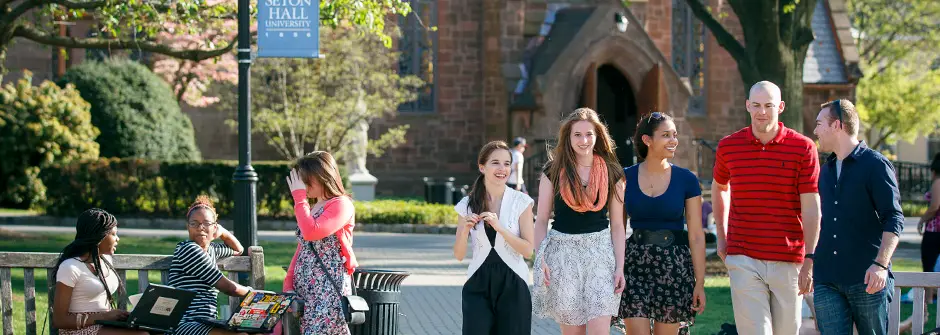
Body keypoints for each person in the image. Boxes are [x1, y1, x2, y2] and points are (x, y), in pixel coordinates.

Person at [712, 81, 821, 335]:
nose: (762, 112)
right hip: (743, 255)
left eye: (769, 105)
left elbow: (811, 204)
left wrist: (810, 258)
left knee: (786, 331)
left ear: (780, 107)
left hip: (789, 257)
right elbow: (720, 187)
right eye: (757, 105)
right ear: (747, 106)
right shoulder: (729, 146)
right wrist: (722, 236)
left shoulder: (803, 148)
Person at [811, 99, 903, 334]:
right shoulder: (825, 171)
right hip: (827, 279)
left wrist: (881, 265)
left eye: (820, 123)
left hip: (867, 278)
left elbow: (893, 218)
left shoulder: (876, 165)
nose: (815, 131)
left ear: (837, 126)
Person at [532, 107, 627, 335]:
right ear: (568, 137)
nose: (584, 140)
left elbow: (617, 225)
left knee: (599, 330)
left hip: (600, 255)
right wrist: (540, 258)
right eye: (577, 134)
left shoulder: (613, 172)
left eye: (589, 134)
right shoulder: (552, 171)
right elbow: (542, 219)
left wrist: (620, 267)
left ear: (598, 136)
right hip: (563, 256)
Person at [618, 112, 707, 335]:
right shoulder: (624, 178)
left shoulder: (686, 179)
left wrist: (700, 282)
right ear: (647, 140)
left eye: (674, 135)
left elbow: (696, 235)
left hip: (674, 267)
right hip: (634, 265)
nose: (673, 140)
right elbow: (617, 230)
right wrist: (616, 269)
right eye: (666, 135)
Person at [452, 140, 536, 334]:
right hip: (478, 282)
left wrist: (501, 229)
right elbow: (458, 255)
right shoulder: (466, 205)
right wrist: (464, 231)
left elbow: (528, 251)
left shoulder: (522, 202)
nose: (502, 169)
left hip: (514, 283)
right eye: (495, 163)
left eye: (507, 163)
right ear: (482, 167)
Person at [283, 151, 359, 335]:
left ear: (323, 177)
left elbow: (311, 232)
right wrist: (288, 282)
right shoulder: (313, 207)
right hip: (306, 290)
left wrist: (299, 198)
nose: (303, 185)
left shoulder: (341, 204)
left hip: (327, 289)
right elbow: (303, 248)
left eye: (307, 179)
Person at [52, 208, 147, 335]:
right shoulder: (70, 267)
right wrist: (103, 316)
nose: (117, 239)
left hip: (104, 324)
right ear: (99, 236)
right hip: (77, 330)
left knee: (157, 331)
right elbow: (59, 320)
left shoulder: (106, 260)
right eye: (113, 234)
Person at [168, 196, 252, 335]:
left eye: (206, 223)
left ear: (214, 226)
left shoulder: (212, 249)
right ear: (187, 227)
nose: (200, 228)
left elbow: (238, 249)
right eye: (194, 224)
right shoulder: (189, 249)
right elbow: (228, 287)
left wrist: (223, 232)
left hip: (206, 323)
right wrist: (255, 294)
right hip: (183, 324)